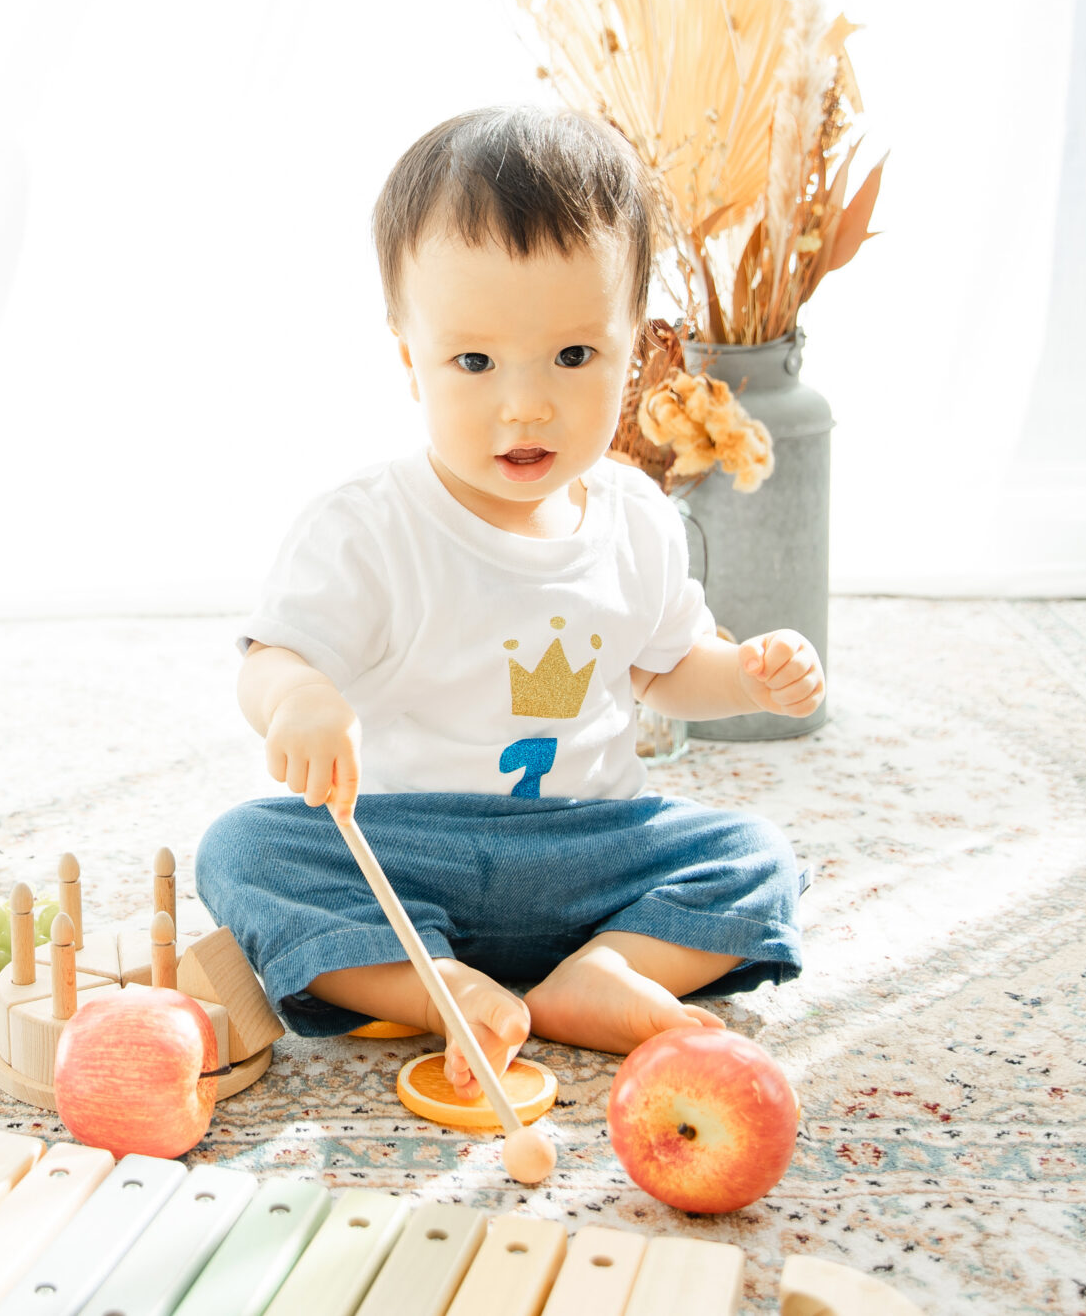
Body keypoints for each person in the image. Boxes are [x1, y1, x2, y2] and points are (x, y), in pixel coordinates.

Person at [194, 105, 821, 1101]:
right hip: (408, 854)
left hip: (589, 851)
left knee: (757, 857)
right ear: (410, 358)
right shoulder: (370, 526)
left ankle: (601, 974)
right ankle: (430, 983)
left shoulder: (635, 518)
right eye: (474, 363)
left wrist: (743, 674)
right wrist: (298, 700)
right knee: (244, 849)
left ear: (639, 351)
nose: (523, 406)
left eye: (573, 358)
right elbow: (273, 655)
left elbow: (667, 673)